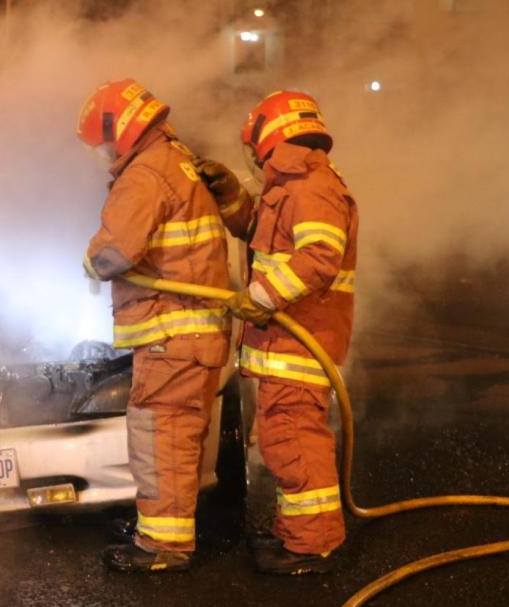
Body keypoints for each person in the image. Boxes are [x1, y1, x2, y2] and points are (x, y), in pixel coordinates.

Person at [79, 79, 251, 572]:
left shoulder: (146, 173)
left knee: (162, 434)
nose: (102, 153)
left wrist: (89, 262)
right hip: (190, 332)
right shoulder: (175, 158)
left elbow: (113, 251)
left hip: (169, 332)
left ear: (121, 131)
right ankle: (167, 527)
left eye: (103, 143)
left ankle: (163, 547)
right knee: (176, 434)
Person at [226, 90, 358, 574]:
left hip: (300, 339)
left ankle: (314, 545)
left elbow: (318, 258)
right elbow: (271, 239)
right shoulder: (295, 184)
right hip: (289, 339)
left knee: (295, 438)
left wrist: (259, 298)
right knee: (285, 438)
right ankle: (294, 532)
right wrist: (234, 204)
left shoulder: (309, 185)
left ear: (270, 135)